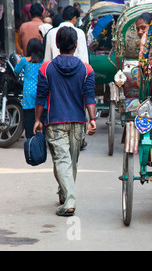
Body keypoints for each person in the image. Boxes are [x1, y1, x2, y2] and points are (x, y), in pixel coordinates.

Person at [34, 26, 96, 216]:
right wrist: (92, 119)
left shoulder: (46, 68)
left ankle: (68, 199)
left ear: (56, 44)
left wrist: (37, 119)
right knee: (71, 162)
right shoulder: (86, 69)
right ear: (76, 45)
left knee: (62, 161)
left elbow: (41, 97)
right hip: (78, 122)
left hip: (55, 122)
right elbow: (90, 96)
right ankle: (66, 194)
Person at [14, 38, 47, 139]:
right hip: (41, 92)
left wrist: (18, 61)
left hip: (29, 92)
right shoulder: (44, 62)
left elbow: (16, 70)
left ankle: (30, 140)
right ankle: (40, 140)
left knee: (29, 118)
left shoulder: (24, 60)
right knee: (42, 118)